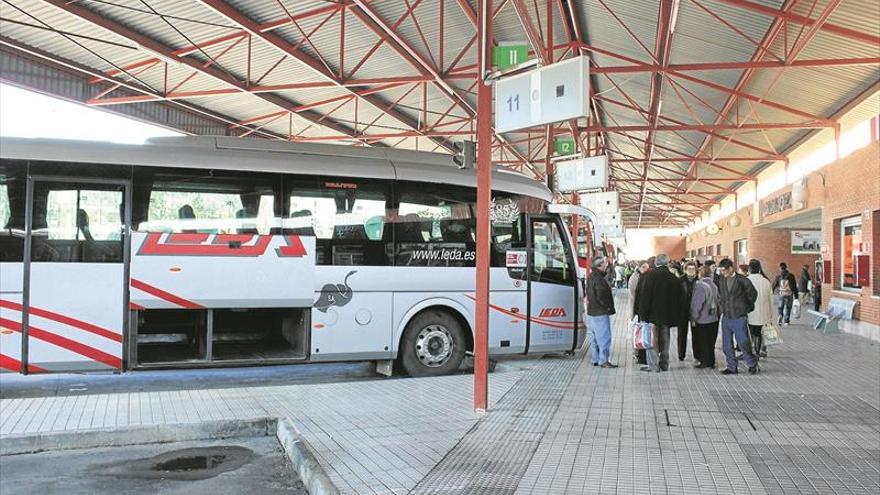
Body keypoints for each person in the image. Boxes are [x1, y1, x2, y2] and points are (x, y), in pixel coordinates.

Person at [637, 254, 683, 373]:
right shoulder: (673, 277)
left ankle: (653, 365)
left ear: (656, 263)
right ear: (667, 263)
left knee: (651, 339)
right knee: (665, 339)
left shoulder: (650, 276)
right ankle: (664, 364)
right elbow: (679, 299)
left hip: (652, 316)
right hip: (667, 317)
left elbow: (645, 297)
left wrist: (642, 315)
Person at [717, 258, 759, 375]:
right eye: (720, 271)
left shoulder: (742, 280)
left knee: (743, 342)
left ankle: (751, 364)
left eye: (724, 270)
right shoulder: (721, 280)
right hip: (726, 316)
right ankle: (731, 367)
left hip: (739, 317)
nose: (722, 273)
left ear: (731, 268)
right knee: (726, 344)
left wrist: (746, 307)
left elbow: (753, 294)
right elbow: (720, 296)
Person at [586, 255, 617, 368]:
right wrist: (607, 307)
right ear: (599, 266)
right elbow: (601, 296)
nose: (606, 265)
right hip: (600, 312)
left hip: (593, 311)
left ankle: (595, 359)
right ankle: (603, 360)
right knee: (604, 337)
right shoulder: (598, 279)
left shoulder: (591, 276)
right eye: (604, 263)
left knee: (595, 337)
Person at [690, 264, 720, 368]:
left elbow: (697, 304)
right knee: (710, 342)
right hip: (714, 318)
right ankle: (711, 361)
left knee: (703, 341)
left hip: (703, 319)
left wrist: (694, 317)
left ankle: (705, 362)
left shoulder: (701, 286)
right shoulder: (714, 285)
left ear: (700, 274)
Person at [746, 259, 774, 361]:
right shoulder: (766, 281)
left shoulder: (747, 280)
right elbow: (771, 299)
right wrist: (771, 315)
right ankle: (758, 351)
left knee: (752, 333)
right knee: (759, 333)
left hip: (750, 313)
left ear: (749, 268)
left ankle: (753, 352)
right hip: (764, 313)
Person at [677, 261, 698, 362]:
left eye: (693, 269)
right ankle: (681, 354)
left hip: (695, 311)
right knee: (681, 334)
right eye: (689, 269)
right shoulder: (680, 280)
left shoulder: (699, 280)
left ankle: (697, 355)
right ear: (685, 270)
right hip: (682, 310)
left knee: (696, 334)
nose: (691, 271)